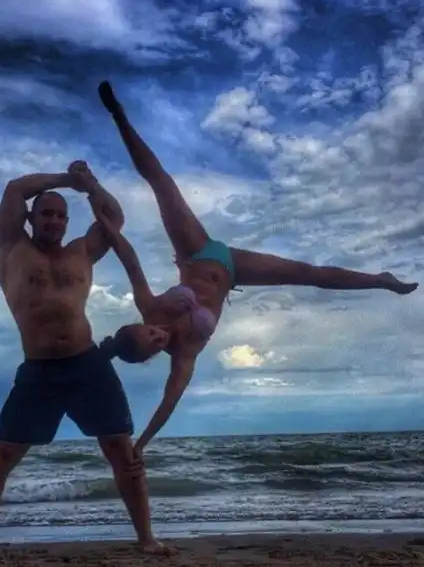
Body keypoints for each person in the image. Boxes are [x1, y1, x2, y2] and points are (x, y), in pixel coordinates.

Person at [94, 80, 419, 457]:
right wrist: (141, 445)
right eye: (154, 344)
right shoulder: (185, 354)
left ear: (142, 324)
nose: (158, 336)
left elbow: (130, 261)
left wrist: (107, 227)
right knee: (309, 275)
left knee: (162, 184)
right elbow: (169, 403)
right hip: (234, 269)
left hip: (196, 252)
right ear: (152, 356)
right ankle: (381, 281)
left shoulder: (151, 307)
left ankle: (118, 116)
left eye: (150, 332)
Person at [0, 161, 167, 556]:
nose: (53, 221)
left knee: (120, 450)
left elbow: (114, 217)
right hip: (39, 372)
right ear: (31, 218)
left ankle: (147, 539)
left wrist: (90, 185)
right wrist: (67, 180)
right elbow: (15, 188)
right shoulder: (12, 247)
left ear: (67, 222)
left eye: (61, 216)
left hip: (88, 365)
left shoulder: (82, 251)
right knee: (3, 455)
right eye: (46, 213)